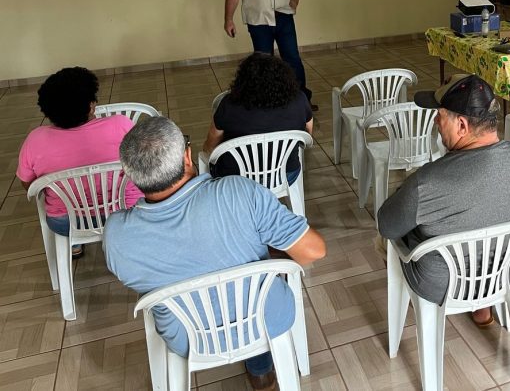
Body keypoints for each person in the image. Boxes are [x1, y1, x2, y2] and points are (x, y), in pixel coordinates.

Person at [104, 116, 326, 391]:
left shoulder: (116, 235)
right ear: (187, 157)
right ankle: (261, 373)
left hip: (186, 337)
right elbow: (313, 250)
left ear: (130, 175)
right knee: (256, 285)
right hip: (267, 319)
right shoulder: (239, 191)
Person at [377, 74, 510, 326]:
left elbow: (386, 225)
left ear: (461, 126)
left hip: (441, 282)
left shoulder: (427, 182)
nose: (435, 120)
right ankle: (483, 309)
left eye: (440, 114)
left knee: (386, 240)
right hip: (507, 272)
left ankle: (404, 310)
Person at [17, 66, 143, 258]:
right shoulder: (120, 124)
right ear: (91, 105)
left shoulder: (35, 140)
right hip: (127, 211)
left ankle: (74, 244)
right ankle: (125, 241)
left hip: (66, 221)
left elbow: (29, 185)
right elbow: (143, 164)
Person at [203, 53, 313, 185]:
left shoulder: (228, 104)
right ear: (285, 77)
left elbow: (210, 147)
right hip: (286, 174)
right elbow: (307, 135)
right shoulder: (300, 99)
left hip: (236, 179)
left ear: (243, 81)